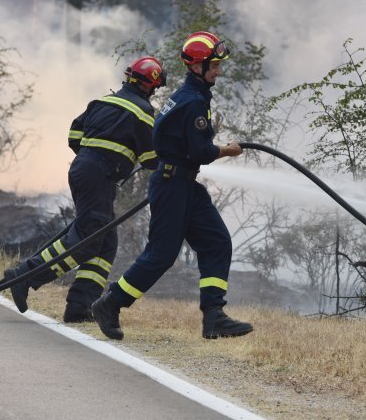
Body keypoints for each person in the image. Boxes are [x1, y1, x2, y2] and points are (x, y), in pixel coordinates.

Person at [92, 31, 253, 340]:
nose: (219, 71)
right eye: (215, 65)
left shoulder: (190, 96)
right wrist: (226, 150)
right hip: (172, 185)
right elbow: (200, 152)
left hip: (183, 185)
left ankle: (214, 316)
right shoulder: (192, 103)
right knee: (161, 255)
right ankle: (111, 303)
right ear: (197, 66)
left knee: (217, 242)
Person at [3, 56, 166, 322]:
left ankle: (80, 304)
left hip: (83, 169)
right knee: (89, 238)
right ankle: (25, 275)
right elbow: (150, 160)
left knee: (105, 241)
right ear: (153, 85)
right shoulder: (143, 112)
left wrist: (93, 156)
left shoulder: (102, 101)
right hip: (99, 175)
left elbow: (74, 135)